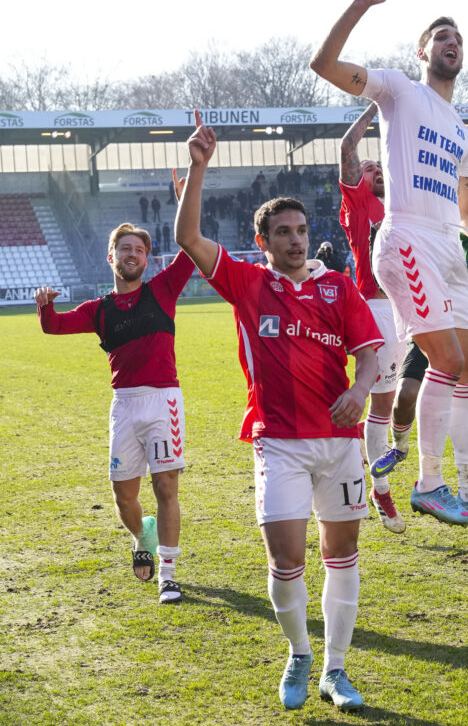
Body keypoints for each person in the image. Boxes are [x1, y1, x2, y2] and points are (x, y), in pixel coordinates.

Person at [175, 112, 382, 711]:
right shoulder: (246, 284)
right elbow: (189, 239)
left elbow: (369, 355)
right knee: (285, 559)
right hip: (281, 443)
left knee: (341, 555)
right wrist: (198, 167)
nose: (295, 239)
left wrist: (361, 390)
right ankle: (299, 653)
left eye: (301, 229)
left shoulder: (338, 288)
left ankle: (336, 671)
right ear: (263, 242)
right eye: (283, 232)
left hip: (340, 441)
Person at [310, 0, 468, 528]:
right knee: (446, 361)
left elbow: (467, 214)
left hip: (449, 247)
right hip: (405, 238)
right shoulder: (400, 90)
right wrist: (360, 4)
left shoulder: (463, 131)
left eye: (458, 38)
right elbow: (324, 63)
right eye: (441, 36)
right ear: (422, 51)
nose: (452, 43)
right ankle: (430, 484)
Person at [34, 222, 194, 604]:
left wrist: (188, 200)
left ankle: (168, 576)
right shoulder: (99, 310)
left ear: (147, 258)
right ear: (112, 257)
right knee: (124, 497)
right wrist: (44, 304)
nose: (132, 254)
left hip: (163, 402)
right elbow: (54, 326)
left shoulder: (162, 290)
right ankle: (142, 536)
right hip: (124, 405)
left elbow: (190, 248)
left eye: (139, 249)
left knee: (165, 487)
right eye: (125, 249)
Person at [337, 102, 406, 534]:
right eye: (368, 167)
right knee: (383, 400)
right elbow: (347, 146)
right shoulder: (359, 205)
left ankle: (450, 480)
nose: (375, 169)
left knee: (421, 394)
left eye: (381, 166)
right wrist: (377, 105)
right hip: (378, 308)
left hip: (415, 307)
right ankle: (378, 485)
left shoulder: (403, 202)